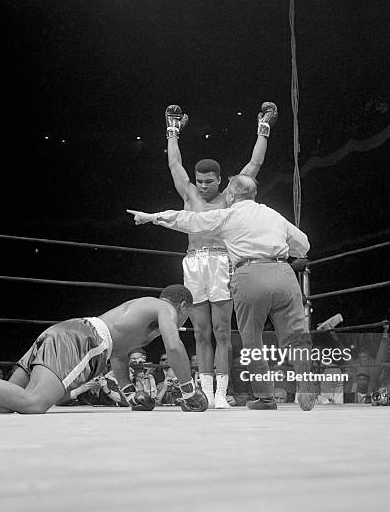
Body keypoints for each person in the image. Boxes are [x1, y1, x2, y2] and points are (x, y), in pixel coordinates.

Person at [129, 174, 315, 411]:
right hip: (283, 272)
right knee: (297, 336)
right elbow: (304, 245)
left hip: (249, 274)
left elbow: (189, 220)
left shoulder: (227, 216)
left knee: (253, 341)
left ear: (232, 194)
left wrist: (153, 217)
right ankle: (305, 383)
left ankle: (265, 398)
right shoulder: (272, 214)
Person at [0, 285, 208, 416]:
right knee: (34, 404)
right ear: (183, 306)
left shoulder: (138, 313)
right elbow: (175, 347)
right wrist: (189, 390)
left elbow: (119, 354)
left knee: (8, 402)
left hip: (62, 333)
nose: (181, 322)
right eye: (186, 316)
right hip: (83, 340)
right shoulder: (164, 307)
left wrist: (130, 393)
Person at [164, 102, 277, 408]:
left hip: (221, 262)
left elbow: (254, 165)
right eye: (198, 182)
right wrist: (172, 131)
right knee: (200, 331)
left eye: (208, 182)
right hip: (194, 263)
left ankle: (221, 394)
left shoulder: (230, 196)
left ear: (219, 180)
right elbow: (175, 165)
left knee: (222, 330)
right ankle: (205, 392)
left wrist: (263, 128)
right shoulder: (189, 194)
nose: (202, 187)